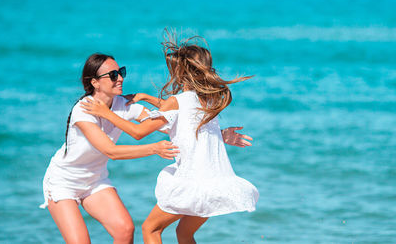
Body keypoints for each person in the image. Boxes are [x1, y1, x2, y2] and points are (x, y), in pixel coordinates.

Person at [41, 52, 253, 244]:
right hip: (64, 182)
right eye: (113, 75)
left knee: (125, 230)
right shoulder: (84, 110)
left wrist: (219, 134)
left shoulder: (125, 105)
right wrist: (154, 149)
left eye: (121, 72)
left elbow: (173, 124)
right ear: (95, 82)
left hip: (95, 181)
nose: (120, 78)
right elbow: (111, 151)